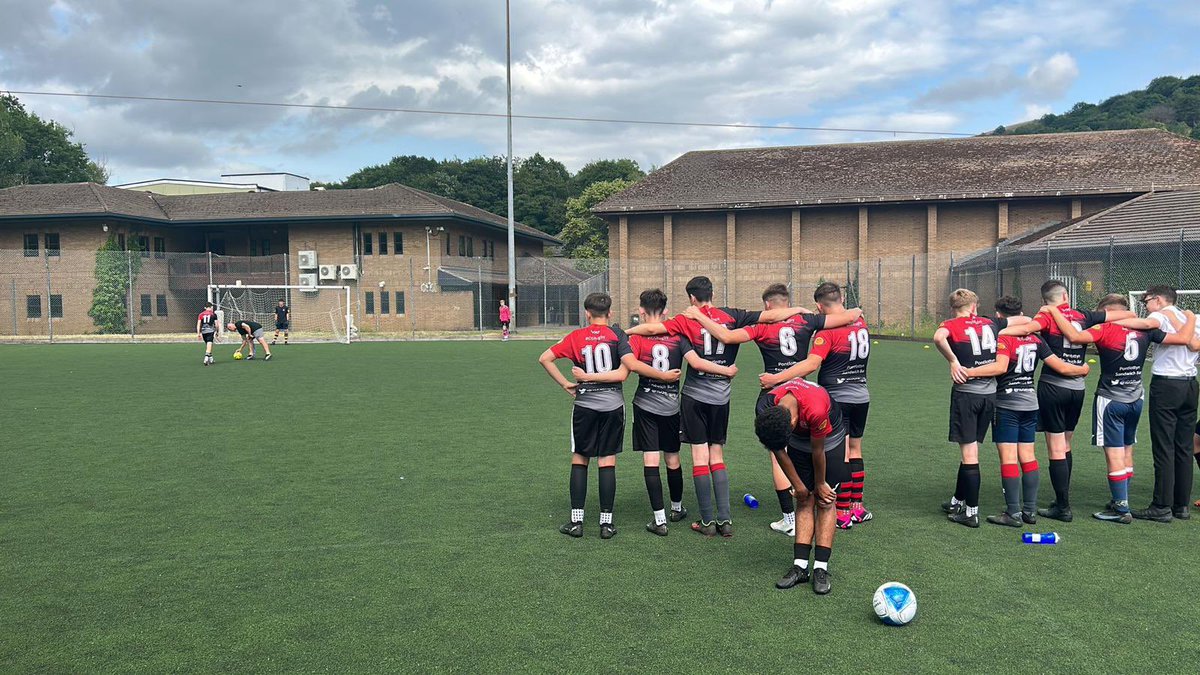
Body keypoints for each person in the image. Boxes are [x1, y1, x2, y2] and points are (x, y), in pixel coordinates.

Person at [626, 276, 804, 537]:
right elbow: (770, 316)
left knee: (699, 458)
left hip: (694, 397)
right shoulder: (733, 315)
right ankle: (726, 519)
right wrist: (798, 309)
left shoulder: (686, 319)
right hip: (721, 398)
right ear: (712, 293)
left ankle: (707, 523)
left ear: (691, 298)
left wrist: (627, 332)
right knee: (717, 457)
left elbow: (653, 330)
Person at [685, 283, 861, 536]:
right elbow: (846, 316)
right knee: (816, 447)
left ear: (768, 305)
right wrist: (856, 311)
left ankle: (789, 517)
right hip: (805, 395)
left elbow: (726, 337)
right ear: (786, 301)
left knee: (779, 454)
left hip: (773, 395)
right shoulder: (807, 320)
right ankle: (834, 506)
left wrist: (698, 314)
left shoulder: (762, 327)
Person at [588, 288, 731, 535]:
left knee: (650, 459)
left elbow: (625, 367)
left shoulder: (634, 339)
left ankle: (659, 519)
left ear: (641, 311)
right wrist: (727, 370)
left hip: (645, 404)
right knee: (672, 458)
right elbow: (696, 362)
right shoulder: (677, 335)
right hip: (672, 406)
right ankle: (677, 507)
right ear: (665, 311)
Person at [1040, 295, 1195, 523]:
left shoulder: (1103, 329)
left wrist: (1053, 312)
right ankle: (1121, 499)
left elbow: (1073, 336)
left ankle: (1121, 508)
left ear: (1108, 311)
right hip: (1136, 399)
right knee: (1127, 450)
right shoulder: (1146, 331)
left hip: (1111, 399)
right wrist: (1190, 316)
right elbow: (1184, 338)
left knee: (1113, 453)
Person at [999, 280, 1133, 522]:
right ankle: (1062, 500)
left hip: (1053, 386)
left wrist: (1000, 331)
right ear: (1066, 295)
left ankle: (1063, 506)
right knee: (1066, 444)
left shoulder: (1047, 317)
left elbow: (1028, 328)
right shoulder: (1084, 315)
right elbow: (1127, 313)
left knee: (1055, 447)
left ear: (1044, 301)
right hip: (1077, 389)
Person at [967, 297, 1089, 526]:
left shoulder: (1004, 337)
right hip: (1031, 402)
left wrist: (969, 371)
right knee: (1029, 456)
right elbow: (1061, 366)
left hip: (1007, 402)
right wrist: (1082, 368)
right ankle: (1030, 512)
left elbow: (1000, 367)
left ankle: (1012, 513)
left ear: (1000, 316)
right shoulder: (1037, 338)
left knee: (1009, 458)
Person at [759, 282, 871, 530]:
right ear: (841, 298)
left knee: (838, 452)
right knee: (855, 449)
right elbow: (856, 314)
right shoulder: (861, 323)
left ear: (819, 306)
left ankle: (840, 511)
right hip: (862, 394)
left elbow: (811, 365)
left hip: (835, 396)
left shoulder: (826, 332)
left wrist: (777, 379)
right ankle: (857, 506)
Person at [933, 288, 1030, 527]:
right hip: (989, 396)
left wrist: (954, 361)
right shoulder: (991, 323)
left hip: (967, 395)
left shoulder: (952, 325)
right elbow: (1026, 321)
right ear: (974, 306)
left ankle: (971, 512)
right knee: (970, 450)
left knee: (969, 455)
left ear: (953, 308)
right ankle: (958, 500)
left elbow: (938, 338)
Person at [538, 292, 632, 539]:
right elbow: (623, 374)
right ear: (610, 313)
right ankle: (606, 524)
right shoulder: (617, 335)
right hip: (613, 406)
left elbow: (544, 358)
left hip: (585, 407)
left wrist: (566, 384)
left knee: (580, 459)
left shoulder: (576, 337)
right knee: (607, 461)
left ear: (586, 313)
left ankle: (576, 522)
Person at [754, 378, 848, 595]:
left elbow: (818, 451)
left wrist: (820, 483)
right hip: (799, 439)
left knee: (825, 500)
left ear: (793, 422)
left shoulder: (815, 409)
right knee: (804, 500)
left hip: (828, 439)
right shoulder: (766, 407)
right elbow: (778, 449)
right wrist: (799, 487)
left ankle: (821, 568)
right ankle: (800, 567)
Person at [1116, 286, 1200, 522]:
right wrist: (1190, 317)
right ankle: (1180, 506)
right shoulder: (1193, 318)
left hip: (1167, 384)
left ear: (1160, 300)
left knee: (1164, 446)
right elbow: (1195, 346)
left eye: (1147, 301)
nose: (1145, 305)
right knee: (1184, 447)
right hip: (1190, 384)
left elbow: (1142, 325)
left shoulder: (1159, 316)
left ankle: (1161, 505)